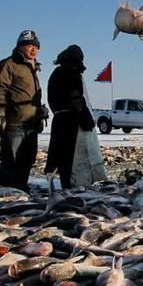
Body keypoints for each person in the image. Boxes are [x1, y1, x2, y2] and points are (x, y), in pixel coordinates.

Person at [44, 45, 107, 188]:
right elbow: (76, 97)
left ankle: (67, 183)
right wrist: (83, 115)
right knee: (72, 157)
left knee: (62, 156)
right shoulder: (69, 73)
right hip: (71, 122)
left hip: (61, 120)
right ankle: (75, 185)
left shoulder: (58, 72)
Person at [0, 30, 48, 192]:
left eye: (36, 47)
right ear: (20, 47)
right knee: (11, 162)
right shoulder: (10, 65)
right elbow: (0, 90)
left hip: (31, 124)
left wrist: (40, 112)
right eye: (28, 45)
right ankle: (8, 194)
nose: (33, 50)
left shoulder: (33, 67)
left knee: (27, 159)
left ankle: (21, 189)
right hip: (14, 123)